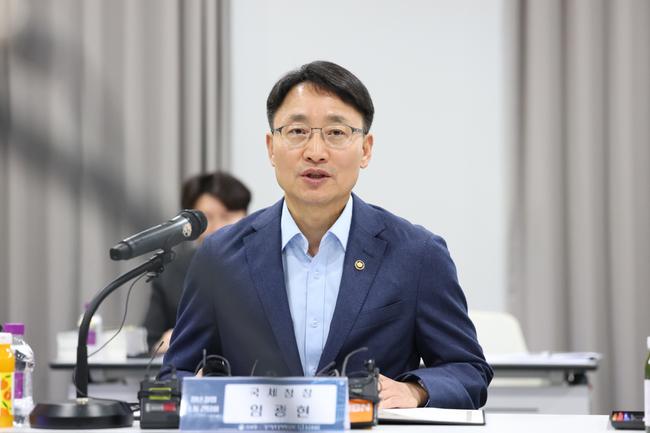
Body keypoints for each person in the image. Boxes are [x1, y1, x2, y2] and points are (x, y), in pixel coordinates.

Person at [161, 61, 493, 409]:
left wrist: (414, 391)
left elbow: (467, 370)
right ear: (271, 147)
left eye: (336, 133)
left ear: (365, 149)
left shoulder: (417, 254)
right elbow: (176, 373)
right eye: (297, 131)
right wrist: (210, 392)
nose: (315, 152)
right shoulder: (220, 255)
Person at [142, 171, 251, 353]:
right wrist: (166, 343)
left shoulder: (263, 263)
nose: (217, 227)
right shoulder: (171, 271)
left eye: (226, 216)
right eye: (207, 218)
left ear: (246, 215)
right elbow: (150, 342)